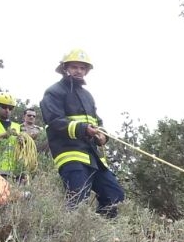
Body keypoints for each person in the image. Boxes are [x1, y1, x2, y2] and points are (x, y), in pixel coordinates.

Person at [40, 49, 124, 218]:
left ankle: (99, 234)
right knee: (77, 201)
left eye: (82, 68)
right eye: (74, 67)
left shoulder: (87, 96)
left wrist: (102, 135)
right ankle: (69, 239)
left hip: (93, 157)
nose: (78, 71)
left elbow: (97, 122)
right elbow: (55, 121)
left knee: (114, 194)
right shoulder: (54, 91)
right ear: (65, 69)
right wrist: (83, 129)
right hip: (71, 155)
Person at [0, 92, 39, 180]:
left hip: (14, 173)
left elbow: (24, 149)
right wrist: (4, 135)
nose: (7, 110)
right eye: (4, 107)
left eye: (10, 108)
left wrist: (23, 141)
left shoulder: (17, 126)